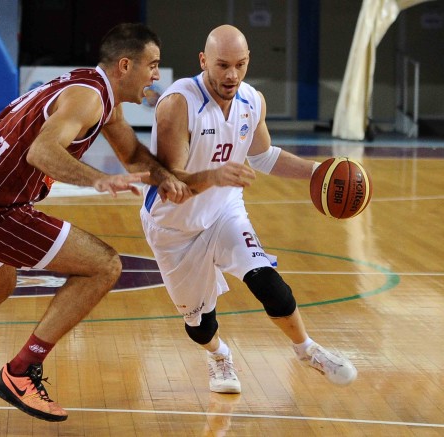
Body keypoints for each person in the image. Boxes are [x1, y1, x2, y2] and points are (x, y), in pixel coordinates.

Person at [0, 22, 191, 422]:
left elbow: (131, 155)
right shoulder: (88, 99)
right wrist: (97, 179)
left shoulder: (96, 92)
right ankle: (21, 371)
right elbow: (41, 153)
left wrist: (167, 178)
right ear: (125, 65)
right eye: (153, 64)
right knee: (104, 266)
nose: (156, 75)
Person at [139, 24, 357, 394]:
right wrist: (216, 175)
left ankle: (307, 350)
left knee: (267, 281)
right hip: (173, 226)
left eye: (240, 65)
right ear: (203, 60)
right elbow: (171, 183)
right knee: (200, 326)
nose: (232, 75)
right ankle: (218, 354)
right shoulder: (178, 104)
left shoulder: (252, 100)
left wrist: (317, 171)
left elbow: (263, 156)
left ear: (248, 61)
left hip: (224, 209)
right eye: (222, 65)